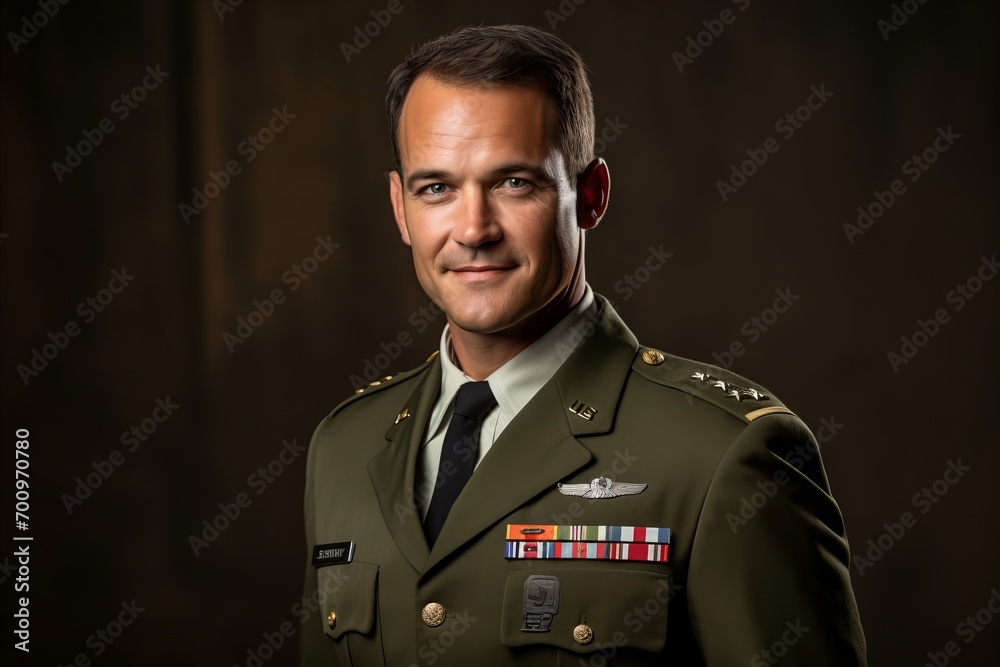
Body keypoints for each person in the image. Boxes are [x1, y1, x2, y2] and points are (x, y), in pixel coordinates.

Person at [301, 24, 866, 666]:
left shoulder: (723, 455)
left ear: (590, 195)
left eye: (515, 182)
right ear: (401, 209)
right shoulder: (342, 449)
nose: (473, 229)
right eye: (438, 188)